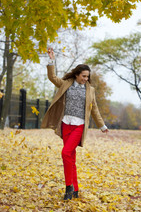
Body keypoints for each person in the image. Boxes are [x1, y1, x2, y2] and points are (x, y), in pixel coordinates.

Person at [41, 47, 109, 200]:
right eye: (83, 76)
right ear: (77, 74)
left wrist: (102, 125)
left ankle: (68, 188)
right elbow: (52, 77)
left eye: (87, 76)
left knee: (65, 153)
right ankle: (75, 189)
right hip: (66, 123)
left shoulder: (90, 90)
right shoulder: (66, 84)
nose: (86, 78)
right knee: (70, 157)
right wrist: (51, 60)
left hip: (79, 126)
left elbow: (94, 109)